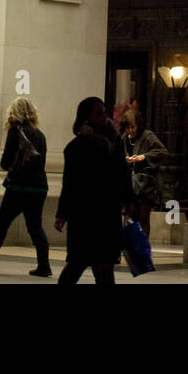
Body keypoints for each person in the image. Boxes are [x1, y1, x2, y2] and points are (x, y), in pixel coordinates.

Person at [0, 95, 51, 277]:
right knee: (35, 226)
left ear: (13, 112)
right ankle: (44, 265)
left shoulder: (15, 131)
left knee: (1, 224)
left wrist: (10, 166)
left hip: (19, 187)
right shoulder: (40, 134)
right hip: (39, 187)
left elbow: (6, 161)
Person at [55, 96, 132, 285]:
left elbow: (123, 174)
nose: (104, 116)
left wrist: (129, 202)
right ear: (86, 117)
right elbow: (70, 183)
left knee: (104, 269)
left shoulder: (114, 143)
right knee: (77, 265)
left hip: (107, 214)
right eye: (99, 113)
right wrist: (62, 213)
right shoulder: (76, 147)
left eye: (105, 112)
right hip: (84, 215)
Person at [120, 108, 167, 234]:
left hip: (145, 185)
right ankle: (131, 247)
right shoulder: (124, 138)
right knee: (129, 217)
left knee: (143, 218)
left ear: (138, 125)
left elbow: (162, 152)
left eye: (133, 127)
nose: (130, 130)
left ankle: (143, 247)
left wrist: (144, 157)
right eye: (127, 128)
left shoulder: (147, 136)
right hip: (130, 184)